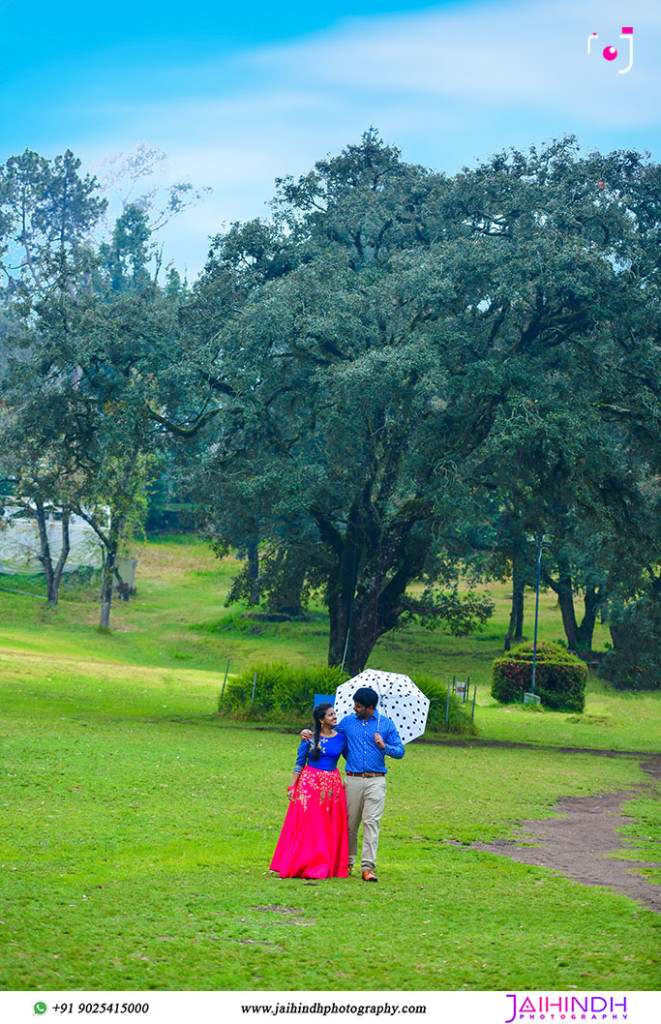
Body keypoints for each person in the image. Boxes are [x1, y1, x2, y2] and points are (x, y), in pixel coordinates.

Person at [302, 686, 405, 883]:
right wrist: (307, 732)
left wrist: (384, 746)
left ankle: (367, 867)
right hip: (353, 779)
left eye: (358, 706)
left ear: (369, 707)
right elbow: (325, 731)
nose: (354, 708)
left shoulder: (387, 725)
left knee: (371, 822)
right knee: (350, 824)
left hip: (376, 780)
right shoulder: (348, 722)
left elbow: (400, 752)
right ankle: (347, 862)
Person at [270, 703, 349, 879]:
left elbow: (350, 757)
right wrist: (292, 786)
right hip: (310, 784)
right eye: (330, 715)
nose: (335, 717)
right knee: (310, 823)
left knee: (328, 824)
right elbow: (299, 762)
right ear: (321, 720)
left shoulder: (342, 738)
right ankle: (303, 862)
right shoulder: (309, 738)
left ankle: (326, 863)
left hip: (332, 786)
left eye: (334, 714)